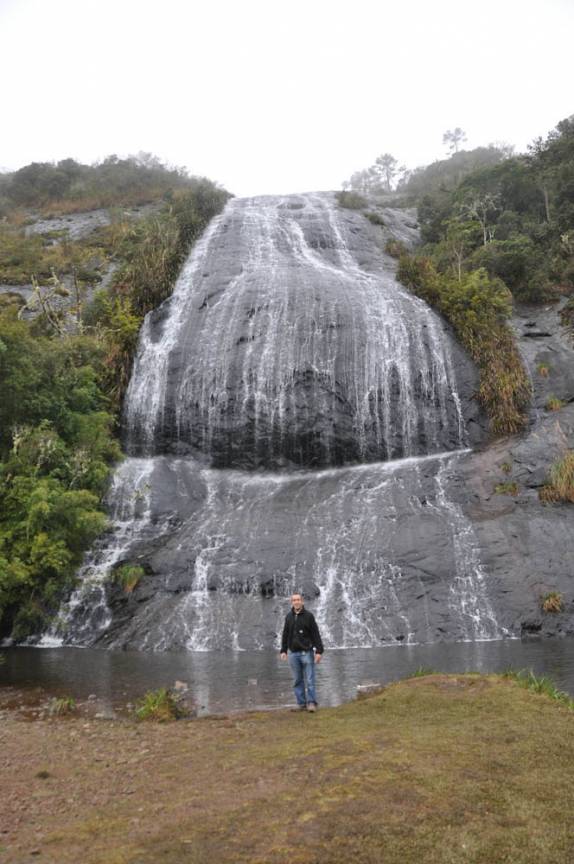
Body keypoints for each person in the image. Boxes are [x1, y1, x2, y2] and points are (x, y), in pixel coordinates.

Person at [280, 592, 324, 712]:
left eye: (298, 600)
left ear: (302, 601)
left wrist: (319, 651)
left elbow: (315, 634)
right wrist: (283, 650)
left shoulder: (309, 616)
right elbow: (285, 634)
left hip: (307, 653)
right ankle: (301, 704)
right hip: (293, 653)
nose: (296, 602)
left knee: (310, 679)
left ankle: (311, 703)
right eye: (294, 600)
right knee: (297, 680)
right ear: (291, 602)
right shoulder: (288, 617)